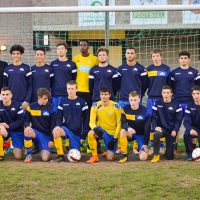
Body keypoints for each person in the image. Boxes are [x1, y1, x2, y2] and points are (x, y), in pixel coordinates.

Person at [51, 80, 89, 162]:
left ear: (76, 89)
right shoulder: (63, 101)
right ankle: (60, 155)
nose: (70, 91)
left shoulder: (82, 102)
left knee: (75, 158)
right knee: (56, 131)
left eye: (72, 89)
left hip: (77, 133)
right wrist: (58, 126)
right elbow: (59, 117)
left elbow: (86, 120)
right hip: (67, 129)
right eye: (68, 89)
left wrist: (83, 136)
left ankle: (69, 147)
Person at [170, 51, 200, 150]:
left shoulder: (195, 72)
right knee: (176, 123)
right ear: (179, 60)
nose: (183, 60)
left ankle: (193, 146)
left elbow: (197, 87)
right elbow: (172, 87)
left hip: (190, 102)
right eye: (182, 58)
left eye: (185, 58)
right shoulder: (174, 73)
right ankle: (175, 145)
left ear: (189, 59)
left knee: (192, 124)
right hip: (177, 101)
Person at [86, 87, 121, 164]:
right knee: (91, 133)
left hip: (112, 134)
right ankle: (94, 156)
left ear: (109, 95)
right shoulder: (95, 105)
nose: (104, 96)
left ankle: (109, 152)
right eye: (102, 94)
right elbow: (91, 122)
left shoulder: (116, 106)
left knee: (110, 158)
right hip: (101, 131)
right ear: (100, 95)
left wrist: (115, 138)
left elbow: (119, 124)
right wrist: (95, 128)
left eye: (106, 94)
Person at [146, 49, 171, 154]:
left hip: (162, 99)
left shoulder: (166, 69)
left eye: (157, 56)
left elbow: (169, 83)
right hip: (151, 98)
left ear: (161, 57)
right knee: (151, 120)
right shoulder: (148, 69)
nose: (155, 58)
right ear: (151, 58)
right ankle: (153, 144)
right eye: (153, 56)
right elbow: (145, 83)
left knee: (162, 121)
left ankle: (162, 145)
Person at [151, 85, 183, 162]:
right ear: (161, 93)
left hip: (171, 131)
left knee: (169, 157)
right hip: (161, 129)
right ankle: (156, 155)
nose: (166, 94)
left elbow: (179, 120)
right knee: (156, 133)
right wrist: (155, 126)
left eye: (168, 93)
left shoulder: (176, 104)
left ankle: (168, 150)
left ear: (171, 94)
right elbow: (153, 117)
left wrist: (175, 130)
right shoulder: (157, 103)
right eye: (164, 92)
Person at [23, 88, 56, 163]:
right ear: (39, 98)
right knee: (27, 130)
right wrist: (27, 126)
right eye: (45, 98)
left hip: (46, 137)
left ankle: (44, 149)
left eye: (47, 98)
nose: (46, 100)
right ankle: (29, 155)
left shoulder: (51, 108)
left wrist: (51, 140)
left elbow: (53, 125)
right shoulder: (31, 107)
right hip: (36, 133)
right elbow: (25, 120)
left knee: (45, 158)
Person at [119, 91, 151, 163]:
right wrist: (128, 128)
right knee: (123, 132)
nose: (133, 102)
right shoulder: (125, 109)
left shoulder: (145, 111)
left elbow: (147, 129)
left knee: (143, 158)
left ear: (139, 100)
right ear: (129, 100)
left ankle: (141, 146)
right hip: (131, 133)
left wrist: (145, 143)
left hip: (141, 135)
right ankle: (124, 155)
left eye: (135, 100)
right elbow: (123, 123)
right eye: (131, 100)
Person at [3, 44, 32, 110]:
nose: (15, 55)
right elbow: (5, 86)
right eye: (13, 53)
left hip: (23, 102)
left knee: (24, 120)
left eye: (18, 53)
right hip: (10, 101)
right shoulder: (7, 68)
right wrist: (7, 99)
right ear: (11, 55)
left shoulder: (27, 68)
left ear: (21, 55)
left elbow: (30, 86)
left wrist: (27, 100)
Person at [50, 42, 77, 110]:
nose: (60, 50)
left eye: (62, 48)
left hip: (67, 94)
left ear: (66, 50)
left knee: (67, 115)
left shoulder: (72, 64)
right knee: (56, 115)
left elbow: (73, 79)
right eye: (58, 49)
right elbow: (51, 79)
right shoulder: (53, 64)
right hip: (55, 94)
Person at [0, 87, 24, 161]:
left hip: (16, 130)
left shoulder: (17, 105)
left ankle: (10, 145)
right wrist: (1, 126)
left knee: (18, 157)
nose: (5, 96)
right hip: (3, 129)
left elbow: (20, 121)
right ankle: (1, 152)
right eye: (3, 94)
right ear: (1, 95)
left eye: (7, 94)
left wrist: (8, 126)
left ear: (11, 95)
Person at [73, 40, 98, 108]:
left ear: (88, 47)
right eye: (81, 45)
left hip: (89, 90)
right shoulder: (75, 58)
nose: (82, 47)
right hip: (78, 89)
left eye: (84, 45)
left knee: (88, 110)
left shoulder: (94, 59)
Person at [184, 85, 200, 161]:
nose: (196, 96)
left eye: (198, 93)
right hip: (194, 127)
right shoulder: (189, 106)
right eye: (194, 94)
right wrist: (190, 129)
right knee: (187, 134)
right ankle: (190, 153)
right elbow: (186, 121)